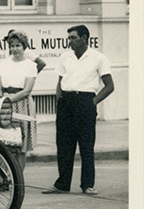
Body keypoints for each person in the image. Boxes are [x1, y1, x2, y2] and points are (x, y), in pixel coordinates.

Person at [44, 25, 115, 196]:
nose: (70, 42)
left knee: (86, 146)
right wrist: (59, 101)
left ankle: (87, 184)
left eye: (73, 38)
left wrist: (93, 102)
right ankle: (62, 184)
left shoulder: (98, 58)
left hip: (85, 102)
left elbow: (110, 85)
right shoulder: (65, 57)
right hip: (66, 103)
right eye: (69, 38)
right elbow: (60, 82)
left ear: (84, 38)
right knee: (64, 145)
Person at [0, 29, 38, 172]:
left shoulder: (30, 65)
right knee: (5, 142)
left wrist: (9, 100)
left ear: (24, 46)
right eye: (12, 45)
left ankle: (18, 177)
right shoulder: (4, 63)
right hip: (5, 105)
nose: (15, 49)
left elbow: (27, 90)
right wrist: (1, 102)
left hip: (22, 104)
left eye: (18, 45)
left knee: (21, 145)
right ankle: (5, 176)